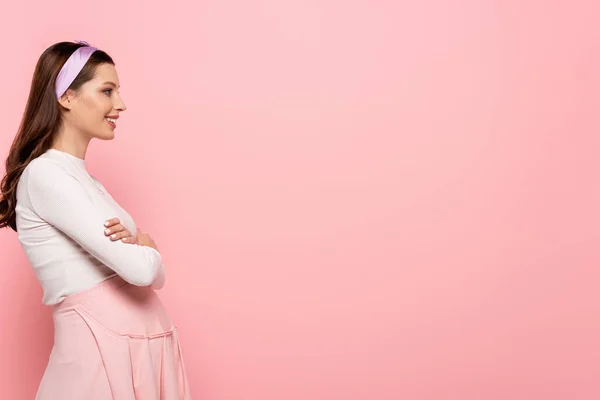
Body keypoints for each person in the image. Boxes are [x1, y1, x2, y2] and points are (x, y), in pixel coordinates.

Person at [0, 40, 191, 399]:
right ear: (67, 97)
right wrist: (145, 249)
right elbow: (143, 272)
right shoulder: (46, 176)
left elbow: (152, 276)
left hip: (134, 352)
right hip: (100, 358)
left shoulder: (88, 183)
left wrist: (143, 254)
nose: (120, 104)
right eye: (107, 91)